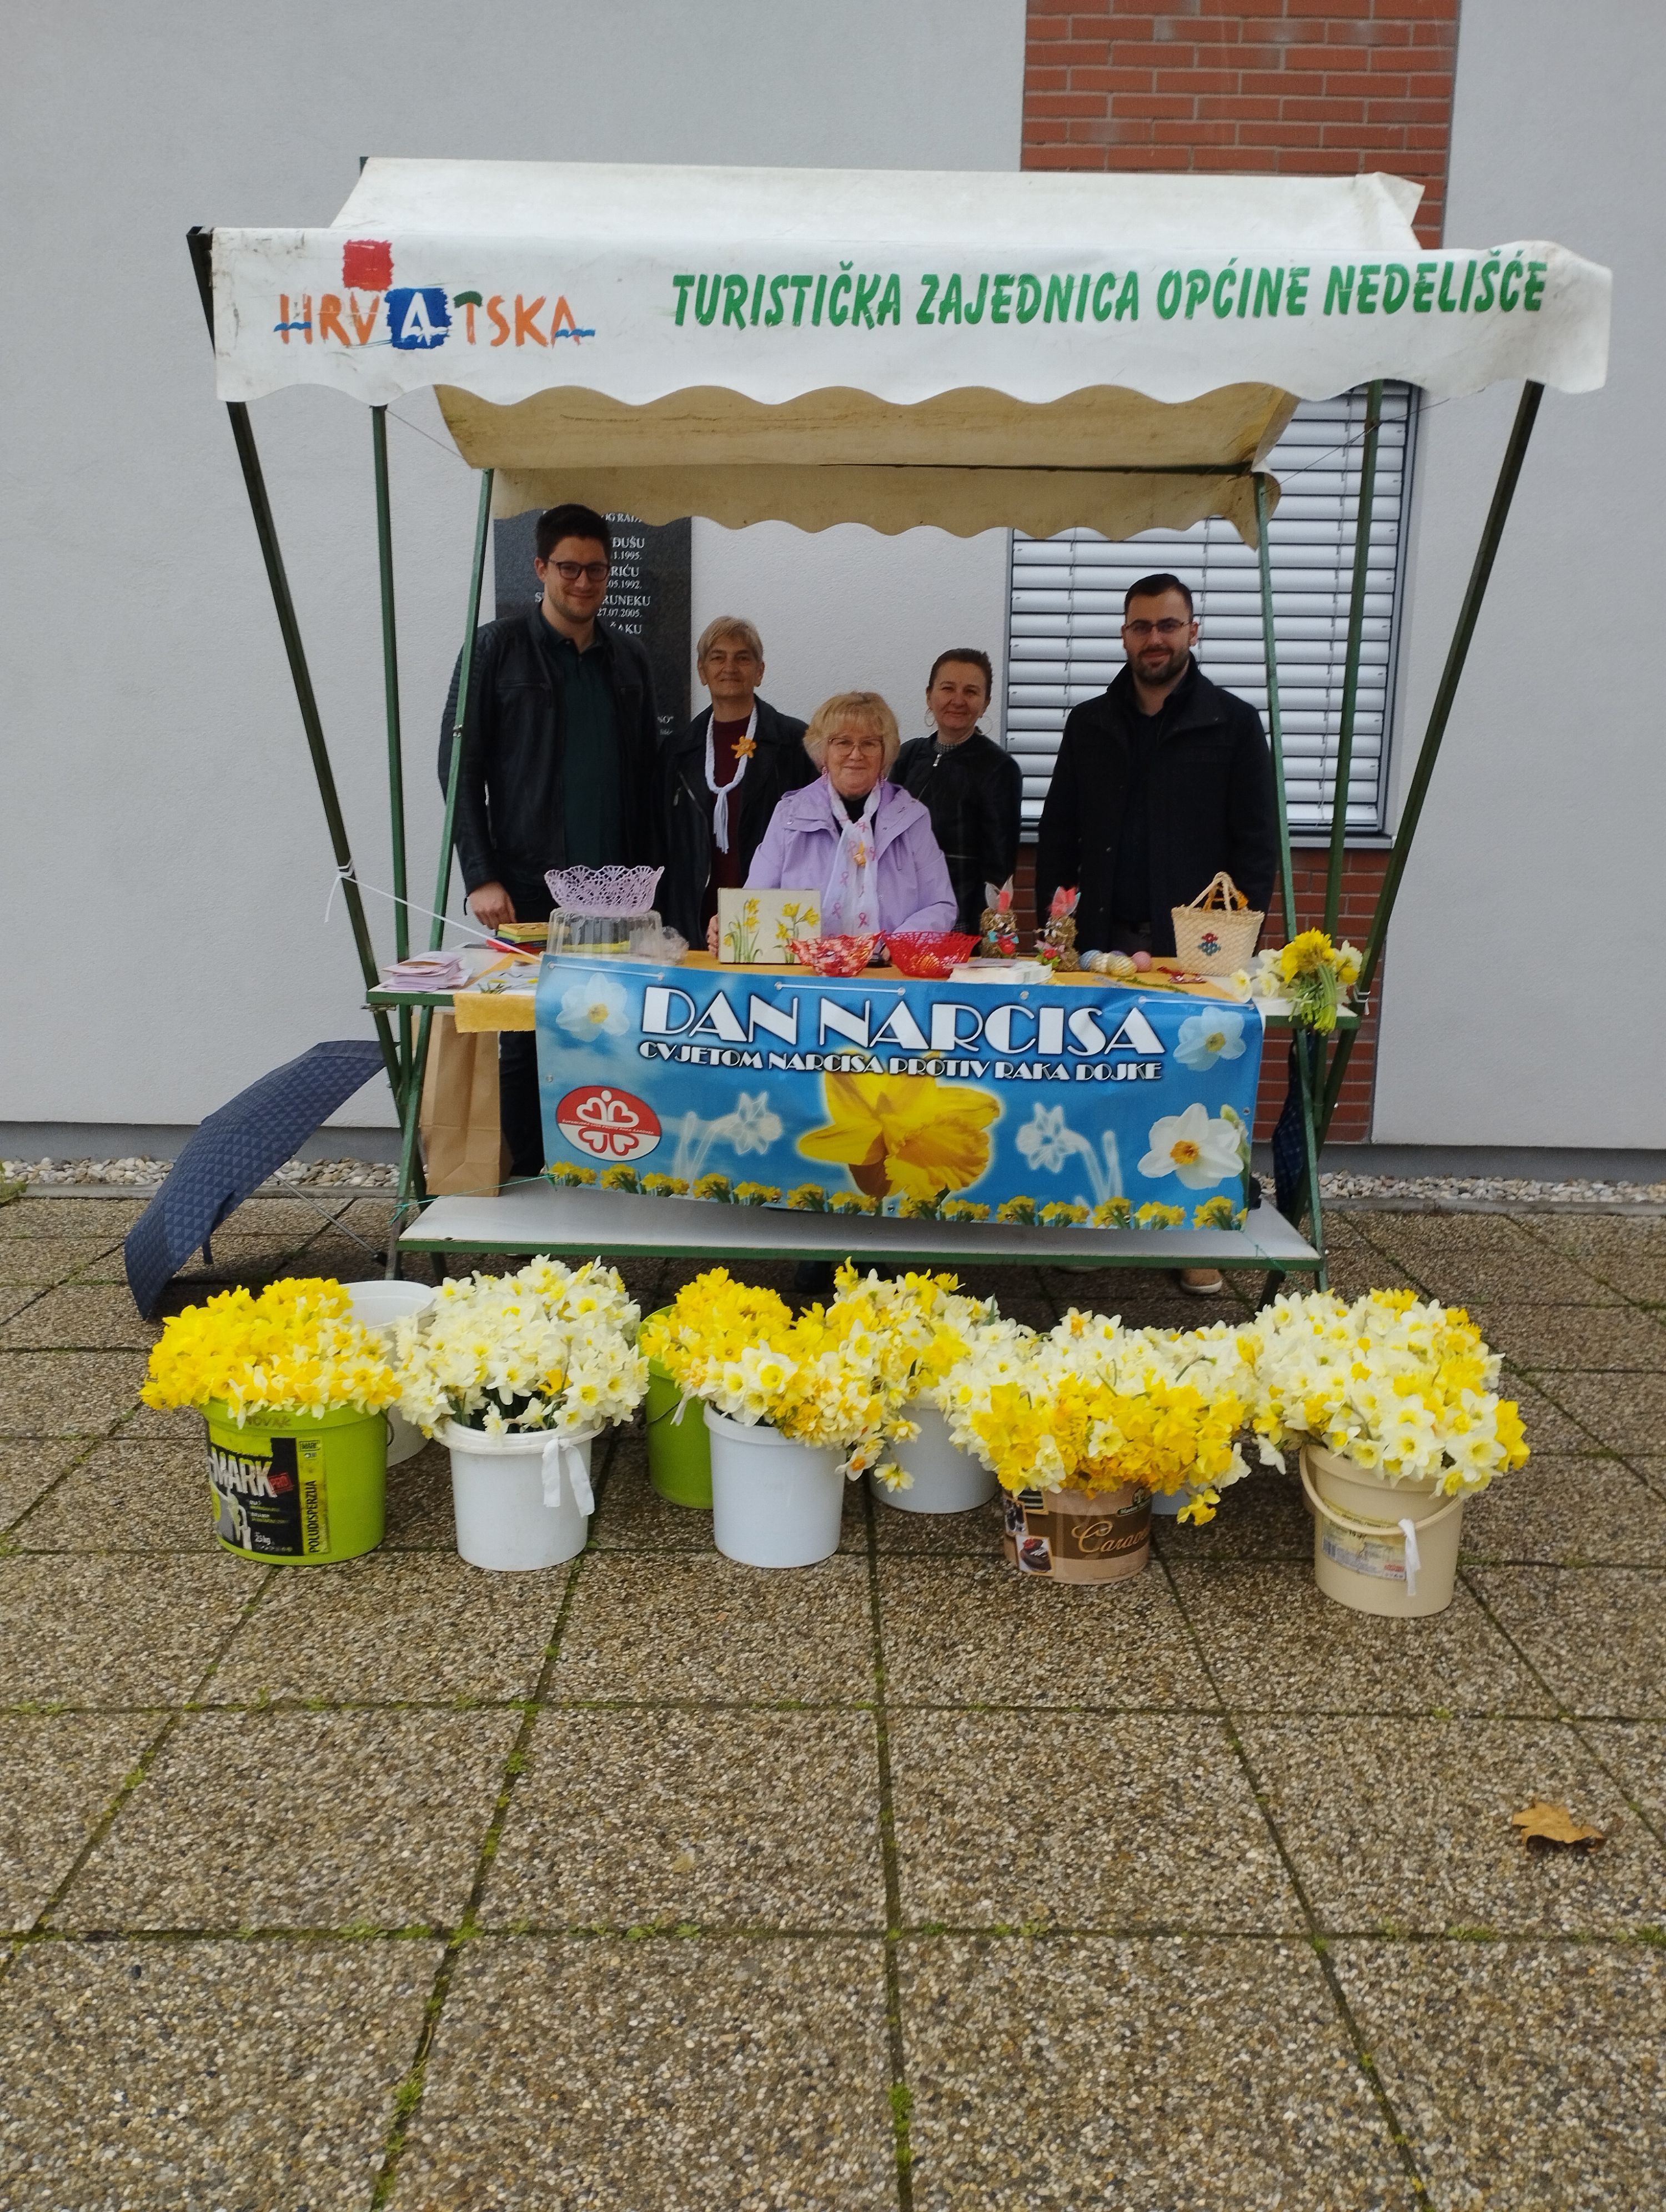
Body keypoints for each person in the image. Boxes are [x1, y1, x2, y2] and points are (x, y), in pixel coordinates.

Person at [1035, 571, 1277, 1294]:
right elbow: (1058, 833)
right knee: (1096, 1088)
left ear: (1193, 631)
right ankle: (1096, 1222)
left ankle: (1195, 1234)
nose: (1154, 639)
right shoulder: (1090, 723)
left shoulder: (1232, 724)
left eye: (1168, 625)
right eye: (1141, 626)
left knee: (1198, 1088)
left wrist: (1231, 938)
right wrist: (1056, 927)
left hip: (1193, 948)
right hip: (1101, 938)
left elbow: (1256, 843)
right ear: (1124, 635)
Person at [438, 501, 661, 1180]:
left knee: (612, 1030)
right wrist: (481, 874)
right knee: (522, 1036)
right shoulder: (495, 648)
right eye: (569, 567)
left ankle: (601, 1173)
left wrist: (657, 883)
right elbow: (457, 765)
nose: (583, 582)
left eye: (596, 569)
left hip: (618, 893)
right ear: (541, 568)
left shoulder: (630, 658)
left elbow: (647, 773)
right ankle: (531, 1178)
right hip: (527, 883)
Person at [716, 691, 956, 947]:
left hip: (889, 974)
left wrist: (896, 946)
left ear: (884, 753)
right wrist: (731, 925)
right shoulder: (789, 815)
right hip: (806, 975)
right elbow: (756, 900)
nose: (856, 754)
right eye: (843, 742)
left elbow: (940, 905)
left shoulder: (911, 818)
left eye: (869, 743)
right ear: (823, 752)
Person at [658, 617, 815, 945]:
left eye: (743, 658)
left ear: (760, 671)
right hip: (692, 921)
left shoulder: (795, 743)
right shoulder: (677, 750)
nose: (730, 666)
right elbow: (662, 841)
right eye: (718, 657)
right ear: (702, 671)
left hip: (770, 920)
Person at [890, 648, 1022, 937]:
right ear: (929, 695)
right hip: (902, 913)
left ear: (986, 702)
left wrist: (990, 930)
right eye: (948, 688)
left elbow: (1000, 864)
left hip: (962, 921)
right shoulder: (907, 756)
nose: (958, 701)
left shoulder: (999, 768)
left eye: (971, 692)